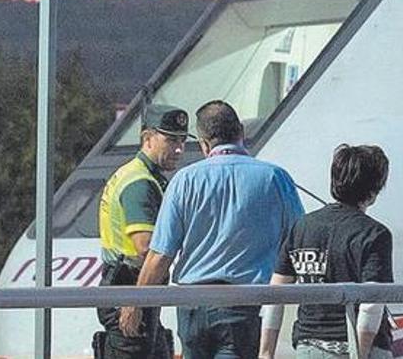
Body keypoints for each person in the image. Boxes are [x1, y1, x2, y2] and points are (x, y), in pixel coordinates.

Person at [123, 100, 304, 359]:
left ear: (205, 143)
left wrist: (135, 304)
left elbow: (161, 254)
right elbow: (300, 240)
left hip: (192, 307)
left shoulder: (184, 180)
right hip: (243, 307)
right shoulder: (275, 178)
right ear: (241, 132)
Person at [260, 144, 394, 359]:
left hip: (308, 347)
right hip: (355, 347)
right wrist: (358, 354)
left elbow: (275, 293)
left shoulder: (302, 226)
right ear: (373, 191)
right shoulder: (375, 234)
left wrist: (265, 352)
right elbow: (372, 304)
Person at [94, 104, 190, 358]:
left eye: (182, 140)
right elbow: (146, 248)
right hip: (131, 288)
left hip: (133, 288)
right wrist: (136, 301)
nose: (179, 149)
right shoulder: (140, 183)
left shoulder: (140, 175)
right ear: (147, 138)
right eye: (170, 140)